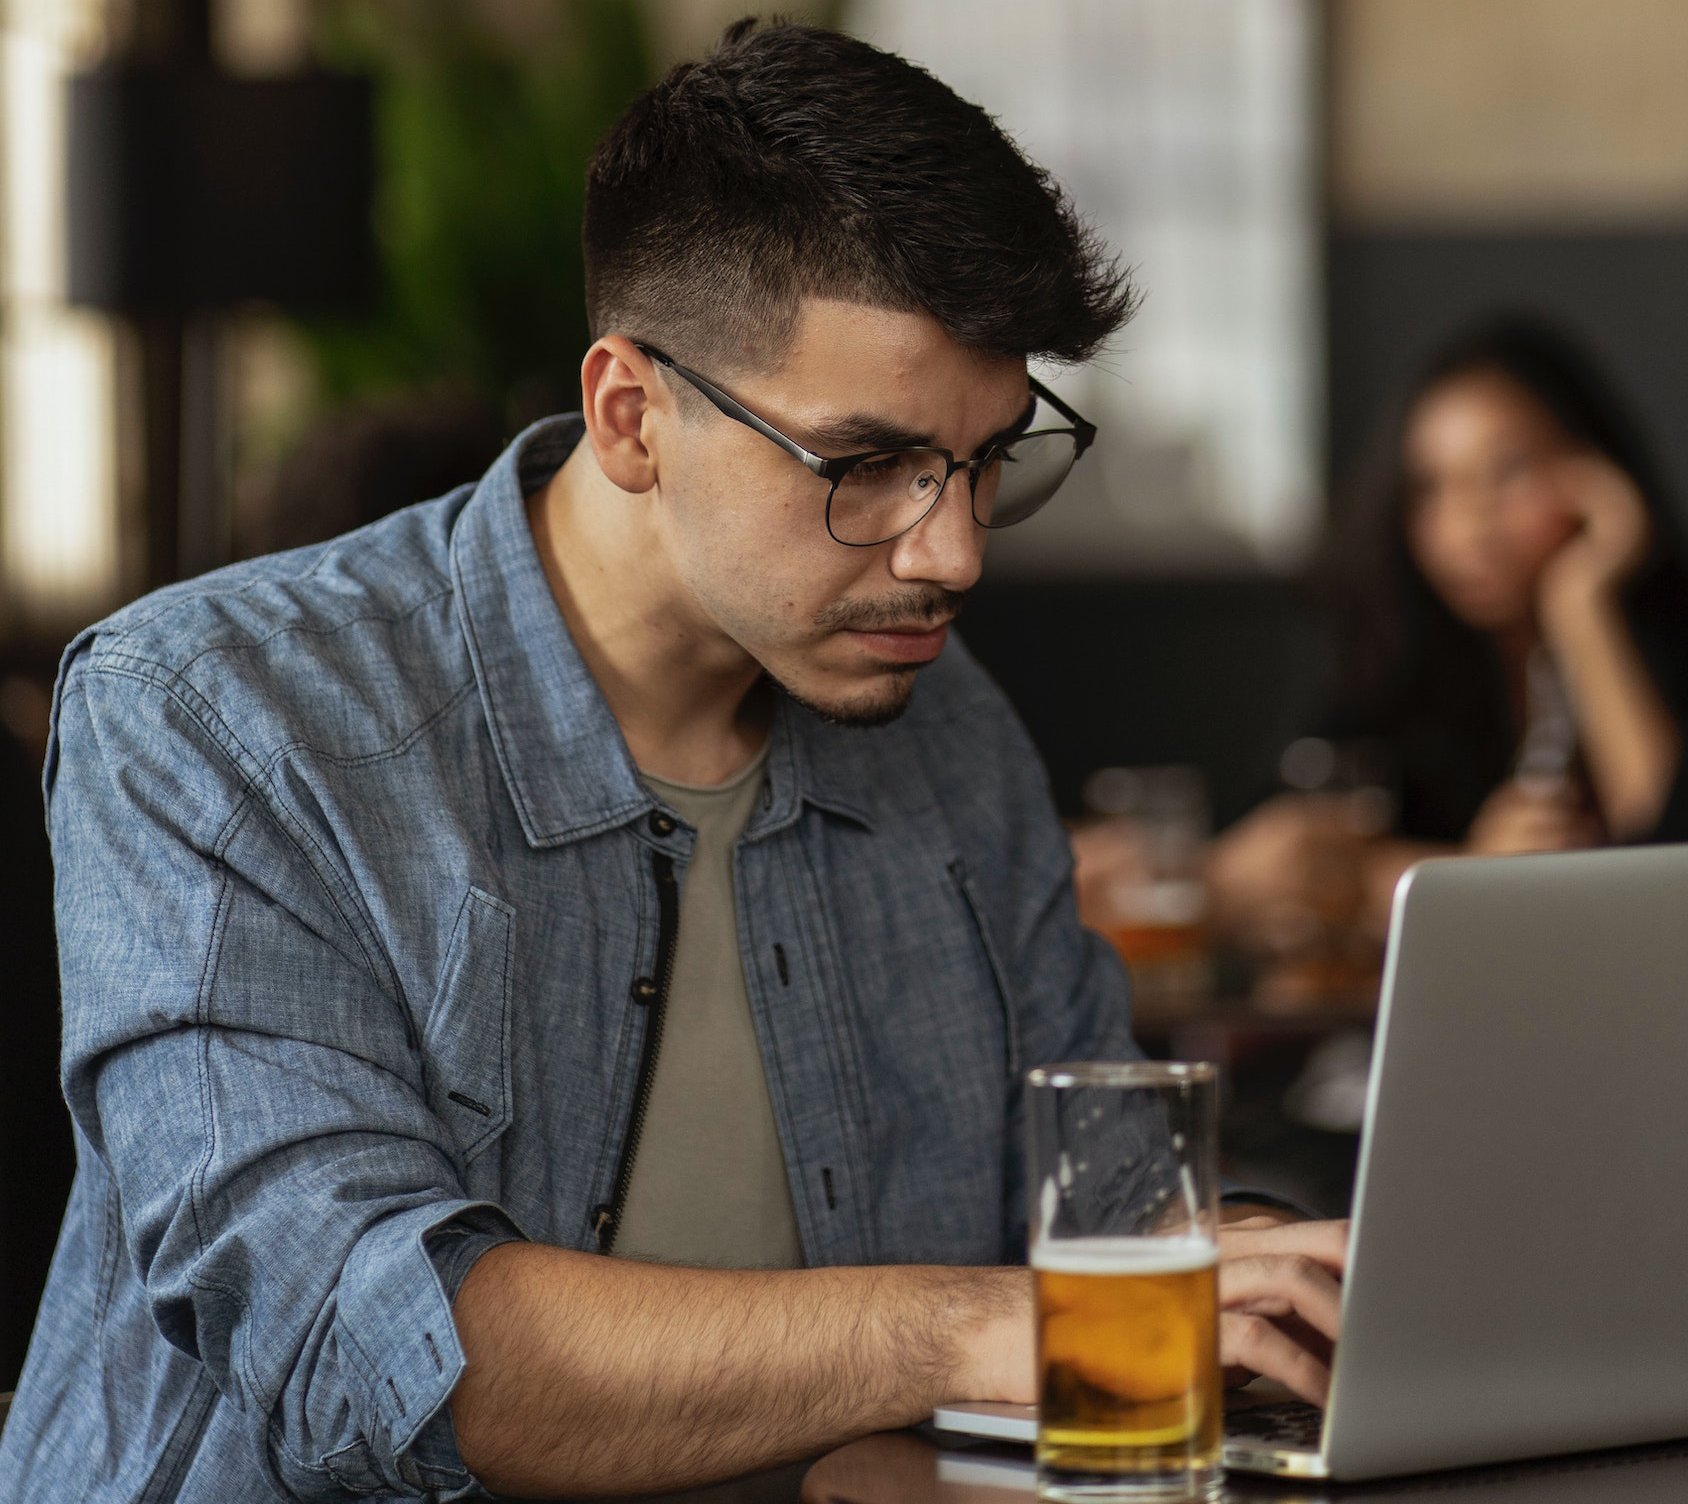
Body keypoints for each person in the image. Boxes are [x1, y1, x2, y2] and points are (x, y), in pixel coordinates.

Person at [0, 22, 1347, 1502]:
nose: (950, 550)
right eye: (865, 466)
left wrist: (1242, 1261)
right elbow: (380, 1354)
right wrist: (974, 1327)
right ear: (631, 416)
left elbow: (1090, 1201)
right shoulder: (216, 717)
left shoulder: (944, 725)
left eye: (985, 459)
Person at [1209, 315, 1688, 960]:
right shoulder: (1393, 646)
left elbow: (1681, 872)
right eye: (1432, 486)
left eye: (1507, 470)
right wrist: (1472, 872)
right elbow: (1279, 865)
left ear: (1594, 473)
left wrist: (1584, 609)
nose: (1468, 522)